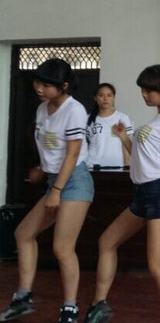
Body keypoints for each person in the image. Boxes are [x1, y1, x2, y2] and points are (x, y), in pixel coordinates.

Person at [84, 64, 160, 323]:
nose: (144, 95)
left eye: (149, 91)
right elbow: (142, 157)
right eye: (142, 90)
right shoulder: (159, 117)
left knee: (157, 266)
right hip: (143, 193)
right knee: (106, 242)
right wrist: (124, 138)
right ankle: (99, 305)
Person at [0, 58, 93, 323]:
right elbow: (51, 146)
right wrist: (42, 168)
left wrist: (57, 190)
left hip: (74, 182)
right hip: (55, 180)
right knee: (23, 234)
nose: (40, 89)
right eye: (38, 83)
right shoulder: (42, 109)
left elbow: (73, 153)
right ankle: (23, 297)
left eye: (47, 85)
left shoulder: (74, 110)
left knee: (62, 247)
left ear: (64, 85)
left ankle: (70, 308)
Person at [85, 83, 133, 169]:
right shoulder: (87, 119)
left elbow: (126, 144)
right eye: (101, 95)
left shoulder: (122, 117)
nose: (105, 99)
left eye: (109, 95)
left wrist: (127, 165)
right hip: (93, 166)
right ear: (95, 98)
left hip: (117, 166)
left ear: (114, 97)